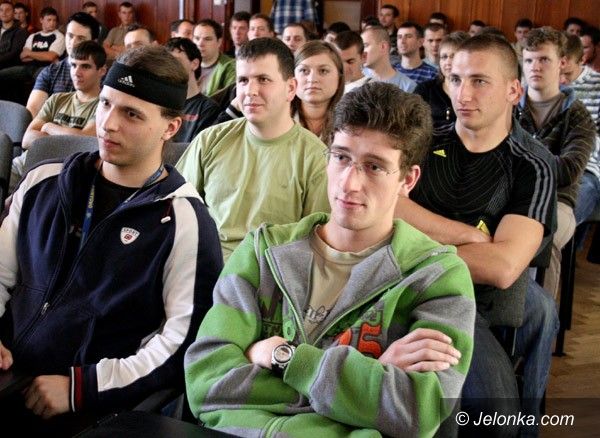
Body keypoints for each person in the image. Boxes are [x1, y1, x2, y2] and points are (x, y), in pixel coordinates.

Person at [184, 81, 476, 437]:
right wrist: (362, 389)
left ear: (408, 180)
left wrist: (284, 357)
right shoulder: (263, 251)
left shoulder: (436, 276)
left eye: (374, 167)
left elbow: (416, 411)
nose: (349, 183)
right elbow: (205, 380)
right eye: (341, 157)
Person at [0, 45, 222, 435]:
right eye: (105, 104)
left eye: (131, 114)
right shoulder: (43, 182)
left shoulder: (183, 220)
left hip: (91, 406)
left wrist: (82, 389)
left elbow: (181, 341)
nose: (108, 124)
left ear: (171, 127)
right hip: (9, 372)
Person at [395, 33, 558, 437]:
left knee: (495, 413)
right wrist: (468, 236)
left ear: (513, 91)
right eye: (455, 79)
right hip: (396, 290)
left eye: (479, 81)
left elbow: (502, 268)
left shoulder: (531, 165)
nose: (463, 94)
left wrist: (412, 245)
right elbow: (386, 207)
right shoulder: (425, 144)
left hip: (469, 302)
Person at [175, 37, 330, 260]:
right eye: (243, 80)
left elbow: (315, 244)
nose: (250, 90)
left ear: (290, 88)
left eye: (263, 79)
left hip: (269, 272)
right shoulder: (210, 139)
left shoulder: (315, 157)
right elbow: (176, 207)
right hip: (204, 265)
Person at [517, 27, 595, 299]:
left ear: (561, 62)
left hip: (557, 200)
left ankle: (541, 316)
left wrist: (521, 158)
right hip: (512, 195)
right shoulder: (509, 107)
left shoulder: (578, 115)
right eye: (529, 60)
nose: (535, 67)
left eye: (544, 59)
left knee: (543, 239)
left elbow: (568, 171)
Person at [11, 41, 107, 190]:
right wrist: (67, 138)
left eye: (85, 66)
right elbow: (27, 139)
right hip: (26, 162)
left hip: (61, 172)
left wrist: (49, 127)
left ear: (102, 70)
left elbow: (84, 142)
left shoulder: (104, 105)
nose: (77, 72)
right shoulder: (57, 99)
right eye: (73, 65)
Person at [560, 35, 600, 240]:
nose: (561, 80)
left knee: (580, 195)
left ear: (581, 60)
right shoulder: (543, 82)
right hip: (550, 163)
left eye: (567, 73)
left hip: (586, 166)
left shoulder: (597, 85)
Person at [26, 12, 99, 118]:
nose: (73, 43)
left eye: (81, 38)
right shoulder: (50, 72)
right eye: (70, 36)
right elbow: (32, 111)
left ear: (94, 43)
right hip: (47, 127)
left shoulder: (101, 74)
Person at [165, 37, 220, 142]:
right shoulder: (160, 104)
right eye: (167, 63)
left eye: (176, 61)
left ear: (194, 64)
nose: (170, 67)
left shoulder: (208, 108)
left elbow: (199, 148)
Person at [415, 31, 469, 127]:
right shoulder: (426, 89)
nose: (447, 62)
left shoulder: (474, 92)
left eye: (453, 56)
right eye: (444, 57)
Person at [292, 41, 344, 142]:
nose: (312, 79)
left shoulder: (352, 123)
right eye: (304, 70)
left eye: (323, 71)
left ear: (339, 79)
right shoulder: (274, 120)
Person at [361, 26, 416, 92]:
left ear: (383, 47)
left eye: (365, 46)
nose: (360, 52)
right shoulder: (356, 78)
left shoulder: (408, 86)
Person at [193, 19, 236, 97]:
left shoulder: (231, 67)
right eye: (197, 38)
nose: (200, 44)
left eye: (207, 39)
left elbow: (228, 99)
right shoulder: (186, 64)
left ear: (219, 42)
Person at [0, 1, 28, 70]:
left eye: (7, 10)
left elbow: (13, 54)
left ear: (13, 13)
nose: (4, 13)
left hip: (8, 68)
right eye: (1, 10)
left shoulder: (21, 32)